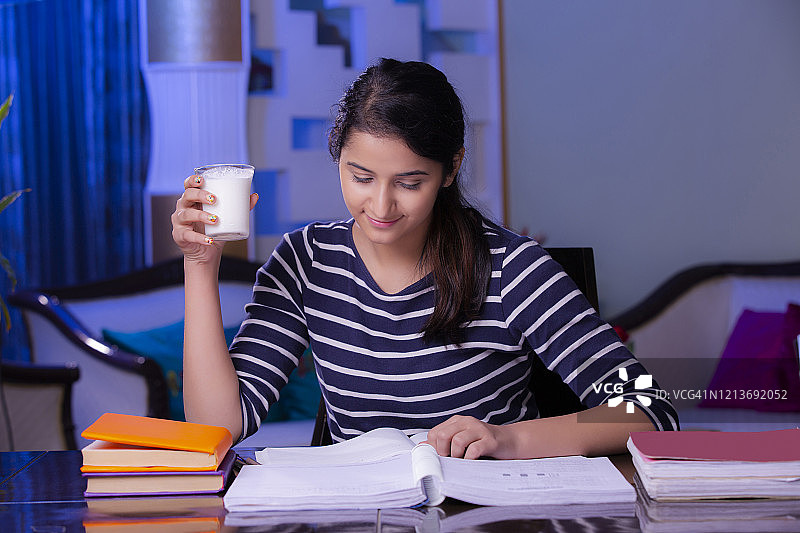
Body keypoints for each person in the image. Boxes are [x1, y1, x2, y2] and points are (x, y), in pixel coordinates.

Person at [171, 58, 678, 460]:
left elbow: (651, 411)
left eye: (410, 183)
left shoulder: (511, 268)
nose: (382, 207)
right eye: (361, 176)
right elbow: (215, 428)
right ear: (337, 155)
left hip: (491, 516)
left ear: (451, 167)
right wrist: (200, 266)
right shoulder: (305, 262)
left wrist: (511, 441)